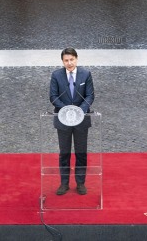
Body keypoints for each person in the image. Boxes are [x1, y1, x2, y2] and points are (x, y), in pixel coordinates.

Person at [49, 47, 94, 196]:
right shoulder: (56, 75)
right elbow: (54, 97)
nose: (69, 63)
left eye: (71, 60)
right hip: (63, 119)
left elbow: (90, 96)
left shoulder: (86, 74)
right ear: (62, 61)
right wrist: (68, 110)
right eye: (66, 61)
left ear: (77, 59)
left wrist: (79, 111)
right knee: (64, 153)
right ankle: (64, 183)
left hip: (82, 119)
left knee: (81, 152)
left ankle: (80, 183)